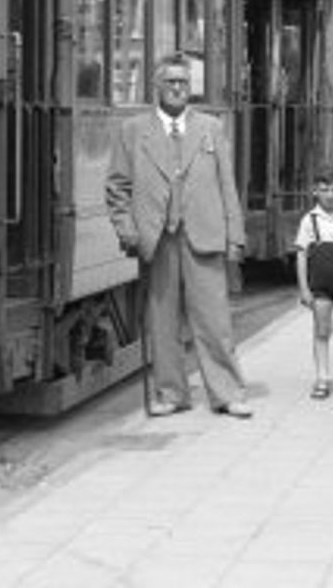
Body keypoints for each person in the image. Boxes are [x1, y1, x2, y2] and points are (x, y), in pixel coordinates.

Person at [105, 52, 251, 418]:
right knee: (162, 322)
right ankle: (172, 394)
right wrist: (128, 231)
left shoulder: (210, 128)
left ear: (191, 88)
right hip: (156, 238)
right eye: (170, 81)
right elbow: (117, 187)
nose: (177, 88)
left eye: (183, 82)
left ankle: (227, 393)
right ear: (156, 86)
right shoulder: (133, 130)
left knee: (214, 321)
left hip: (204, 235)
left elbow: (227, 185)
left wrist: (235, 236)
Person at [293, 162, 333, 399]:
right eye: (324, 190)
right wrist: (304, 288)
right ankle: (323, 378)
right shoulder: (309, 220)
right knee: (321, 331)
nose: (330, 195)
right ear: (315, 191)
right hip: (320, 285)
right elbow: (302, 254)